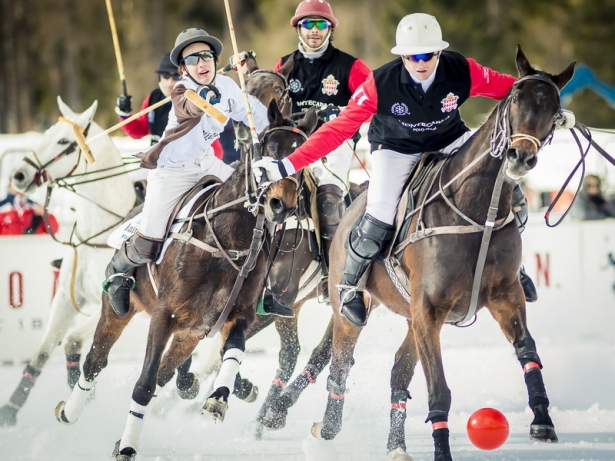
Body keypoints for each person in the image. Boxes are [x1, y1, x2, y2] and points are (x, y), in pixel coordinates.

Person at [253, 13, 538, 326]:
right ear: (402, 55)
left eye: (428, 54)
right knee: (379, 217)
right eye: (413, 56)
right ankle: (350, 286)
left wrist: (552, 107)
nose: (421, 62)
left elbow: (518, 91)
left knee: (511, 195)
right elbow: (337, 130)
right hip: (396, 149)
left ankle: (514, 270)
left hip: (450, 139)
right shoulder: (381, 83)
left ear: (440, 52)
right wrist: (286, 165)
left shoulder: (462, 70)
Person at [103, 27, 270, 317]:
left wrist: (278, 126)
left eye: (206, 56)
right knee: (148, 242)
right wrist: (205, 94)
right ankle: (117, 272)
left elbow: (255, 112)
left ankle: (261, 287)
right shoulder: (183, 90)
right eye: (192, 59)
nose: (201, 63)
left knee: (252, 204)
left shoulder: (228, 86)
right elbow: (189, 107)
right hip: (171, 171)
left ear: (215, 60)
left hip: (205, 161)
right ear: (183, 68)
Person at [261, 0, 371, 317]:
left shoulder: (351, 67)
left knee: (326, 197)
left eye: (320, 25)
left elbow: (372, 103)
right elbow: (268, 99)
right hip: (294, 145)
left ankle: (330, 270)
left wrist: (345, 114)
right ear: (298, 28)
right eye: (308, 24)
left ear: (330, 29)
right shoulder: (285, 63)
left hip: (335, 144)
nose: (314, 31)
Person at [115, 52, 225, 159]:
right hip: (157, 168)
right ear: (159, 77)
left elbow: (215, 150)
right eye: (165, 76)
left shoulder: (195, 101)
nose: (169, 83)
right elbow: (140, 130)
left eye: (176, 76)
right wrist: (125, 114)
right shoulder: (154, 98)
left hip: (186, 170)